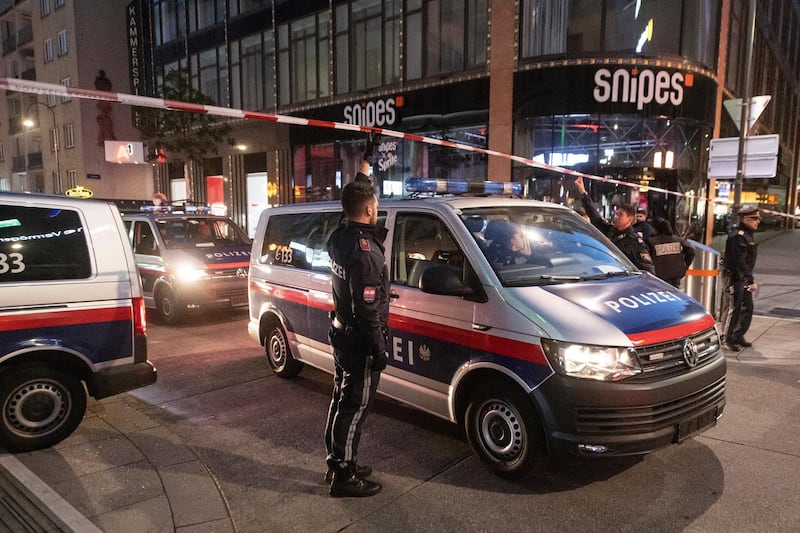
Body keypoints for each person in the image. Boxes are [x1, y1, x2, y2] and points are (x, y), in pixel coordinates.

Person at [324, 156, 388, 498]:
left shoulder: (340, 235)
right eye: (374, 202)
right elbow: (368, 309)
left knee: (340, 398)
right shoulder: (365, 253)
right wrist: (379, 348)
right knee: (355, 405)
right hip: (360, 340)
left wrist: (363, 172)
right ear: (367, 209)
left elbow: (350, 204)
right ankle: (344, 475)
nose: (377, 206)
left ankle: (338, 459)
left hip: (341, 332)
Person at [574, 177, 655, 274]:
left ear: (629, 219)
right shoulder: (610, 230)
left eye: (620, 215)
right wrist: (583, 192)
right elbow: (594, 215)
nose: (616, 217)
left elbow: (648, 270)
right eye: (616, 214)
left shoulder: (635, 242)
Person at [721, 206, 760, 350]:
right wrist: (750, 280)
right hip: (735, 277)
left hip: (744, 277)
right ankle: (726, 338)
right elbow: (739, 261)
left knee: (747, 307)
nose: (757, 222)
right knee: (734, 308)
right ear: (745, 219)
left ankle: (737, 335)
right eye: (754, 219)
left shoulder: (747, 235)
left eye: (758, 218)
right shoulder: (738, 236)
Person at [648, 217, 695, 288]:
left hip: (659, 277)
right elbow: (691, 251)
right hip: (676, 276)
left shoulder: (651, 242)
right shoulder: (677, 239)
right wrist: (685, 266)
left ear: (655, 228)